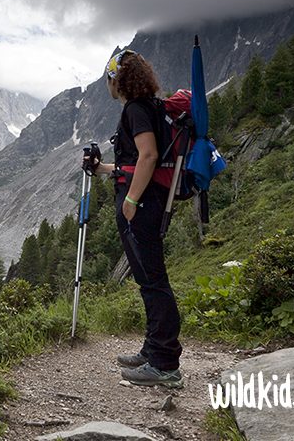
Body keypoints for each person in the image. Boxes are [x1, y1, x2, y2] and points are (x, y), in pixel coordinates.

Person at [83, 49, 183, 388]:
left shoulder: (136, 109)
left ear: (117, 79)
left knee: (153, 280)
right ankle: (153, 350)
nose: (107, 86)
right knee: (148, 279)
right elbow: (134, 162)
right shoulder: (151, 107)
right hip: (147, 200)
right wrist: (103, 169)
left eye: (109, 79)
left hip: (142, 205)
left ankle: (166, 364)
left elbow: (149, 155)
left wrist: (131, 200)